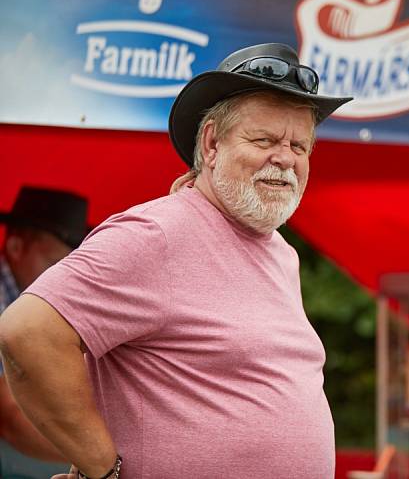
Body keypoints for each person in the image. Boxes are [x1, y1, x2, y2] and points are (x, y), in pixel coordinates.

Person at [0, 42, 352, 479]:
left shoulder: (282, 254)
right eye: (263, 139)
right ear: (210, 145)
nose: (285, 158)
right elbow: (27, 334)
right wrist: (101, 467)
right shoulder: (156, 234)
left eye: (300, 146)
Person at [0, 187, 86, 476]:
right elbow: (10, 418)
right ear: (14, 248)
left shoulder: (29, 298)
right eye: (54, 265)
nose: (63, 281)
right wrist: (107, 460)